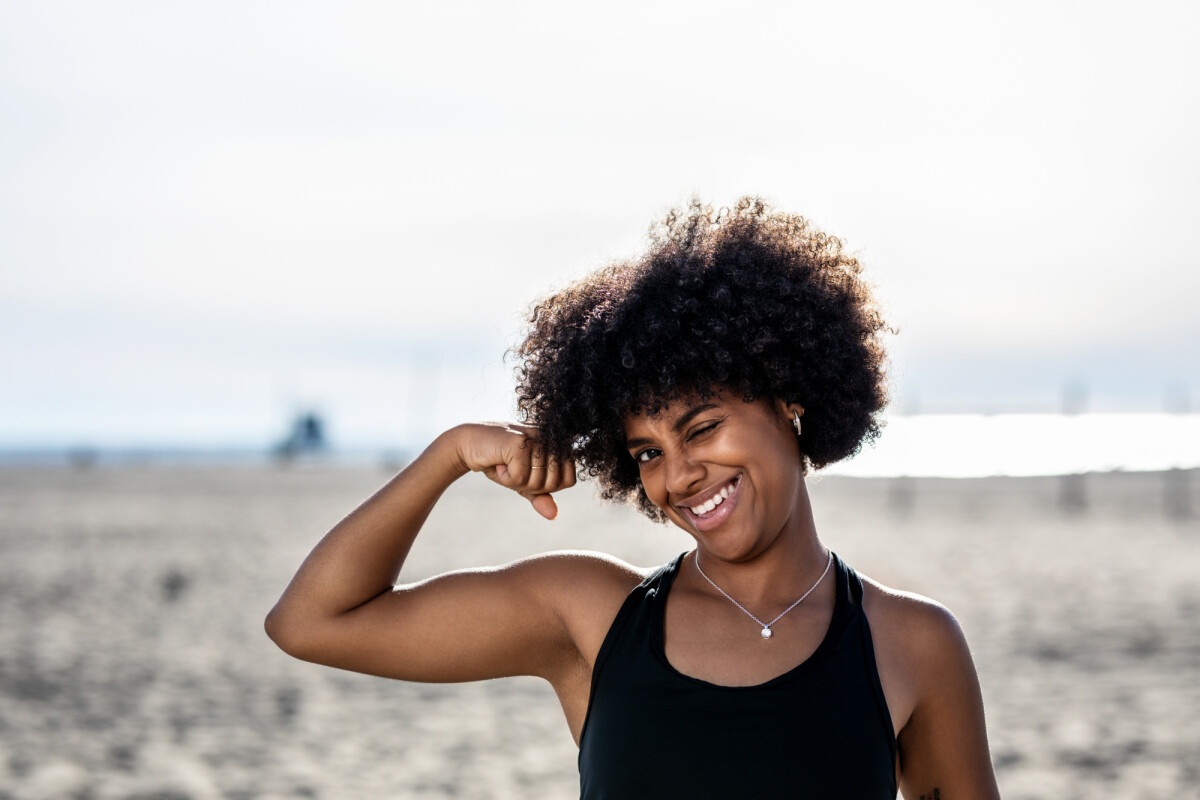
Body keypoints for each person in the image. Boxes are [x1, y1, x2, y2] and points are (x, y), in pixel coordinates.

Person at [265, 198, 1001, 798]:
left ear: (790, 399)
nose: (679, 476)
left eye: (702, 428)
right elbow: (312, 621)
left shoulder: (910, 644)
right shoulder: (590, 617)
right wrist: (450, 453)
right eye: (648, 452)